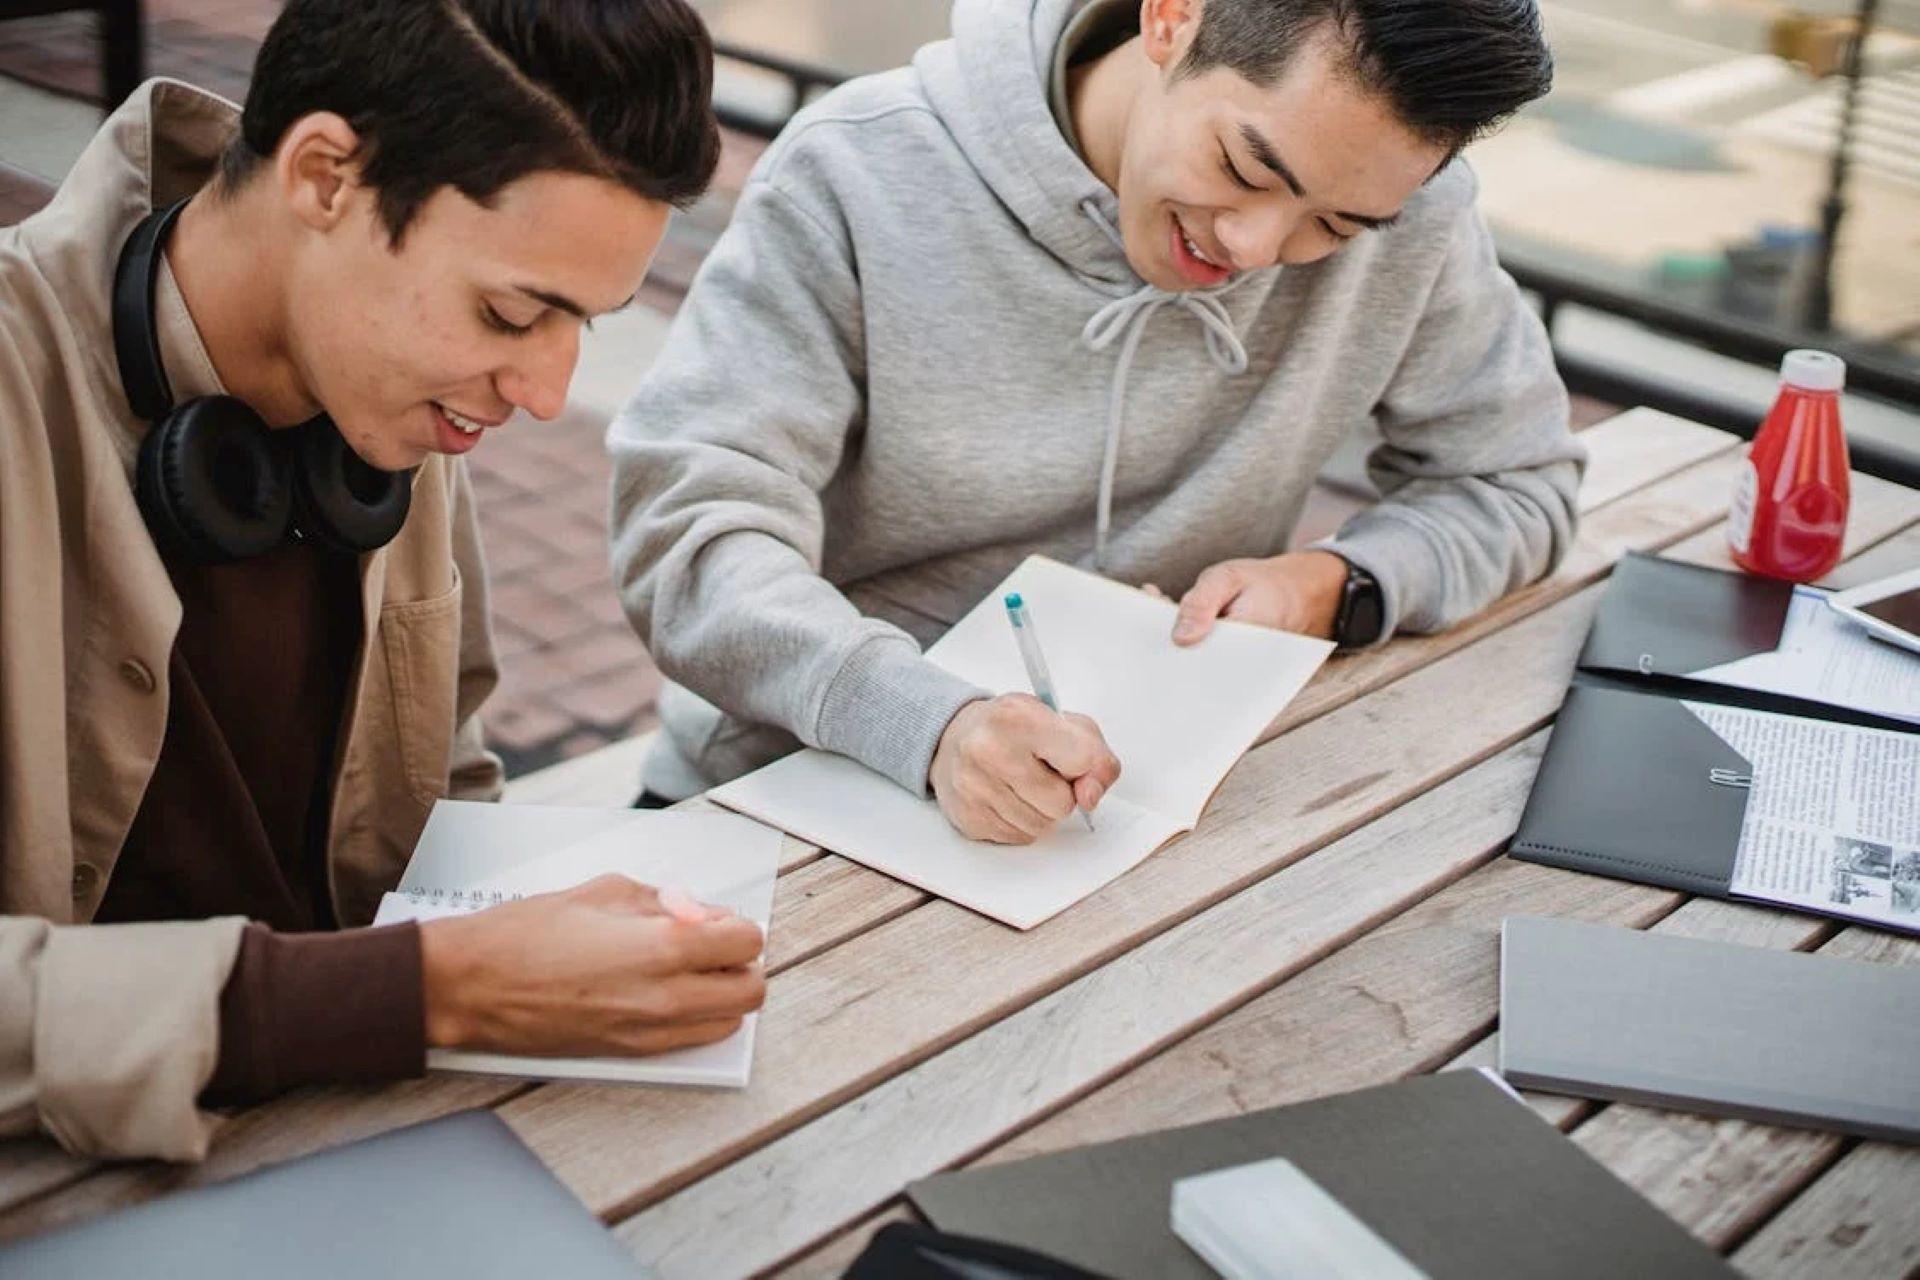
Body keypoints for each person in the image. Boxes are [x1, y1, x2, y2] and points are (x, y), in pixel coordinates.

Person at [0, 0, 763, 1162]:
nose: (548, 392)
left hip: (363, 1139)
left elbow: (444, 787)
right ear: (324, 176)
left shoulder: (385, 404)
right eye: (512, 310)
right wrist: (421, 990)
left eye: (584, 329)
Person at [609, 0, 1585, 843]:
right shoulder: (857, 171)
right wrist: (926, 721)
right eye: (1245, 167)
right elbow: (693, 532)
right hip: (794, 793)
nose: (1255, 247)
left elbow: (1517, 479)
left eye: (1333, 226)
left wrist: (1332, 588)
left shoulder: (1412, 217)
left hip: (1136, 813)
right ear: (1171, 17)